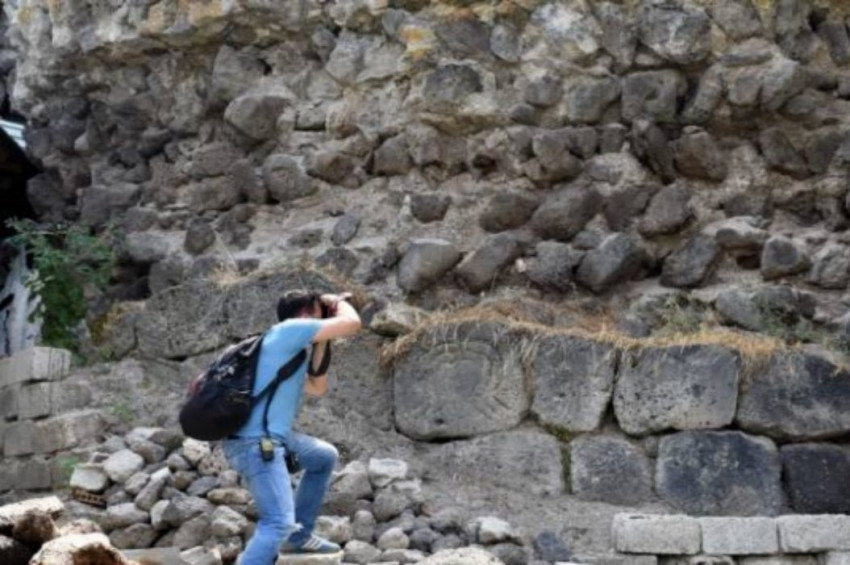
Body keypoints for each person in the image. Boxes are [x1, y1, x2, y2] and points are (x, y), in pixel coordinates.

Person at [221, 290, 362, 564]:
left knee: (323, 456)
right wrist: (336, 301)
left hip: (268, 440)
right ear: (306, 313)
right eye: (320, 311)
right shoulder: (289, 329)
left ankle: (299, 538)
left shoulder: (284, 352)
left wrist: (323, 342)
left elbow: (317, 387)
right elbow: (353, 323)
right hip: (256, 444)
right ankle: (285, 537)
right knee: (277, 523)